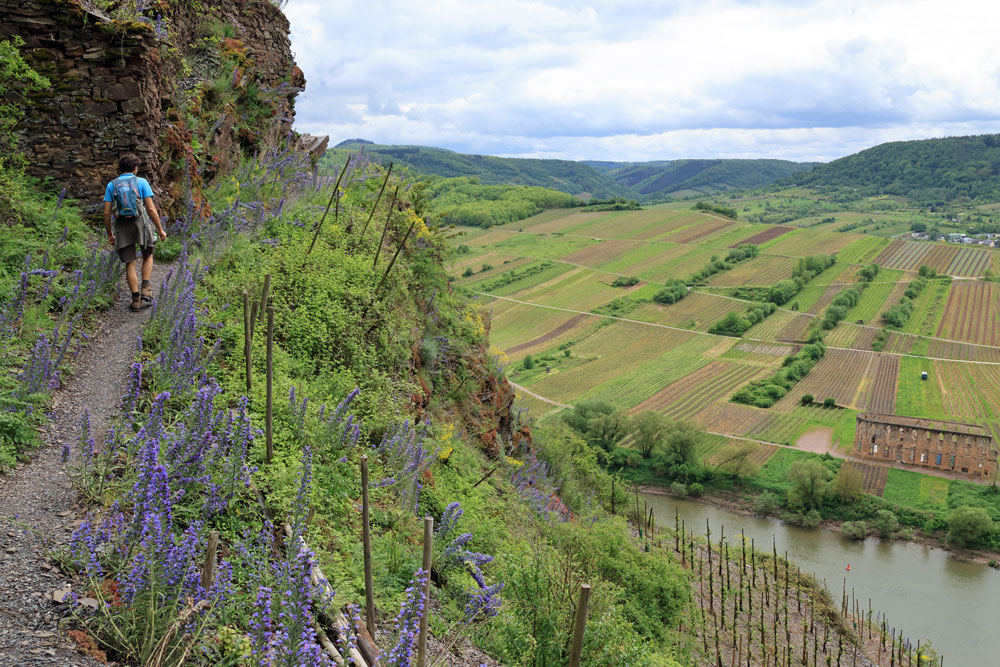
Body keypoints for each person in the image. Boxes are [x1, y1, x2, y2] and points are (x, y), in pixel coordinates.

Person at [102, 153, 168, 311]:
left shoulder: (112, 185)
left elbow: (106, 212)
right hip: (141, 223)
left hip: (122, 226)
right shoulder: (141, 182)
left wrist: (110, 234)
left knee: (129, 263)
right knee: (148, 254)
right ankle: (146, 287)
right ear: (135, 168)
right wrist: (160, 229)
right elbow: (151, 208)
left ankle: (136, 300)